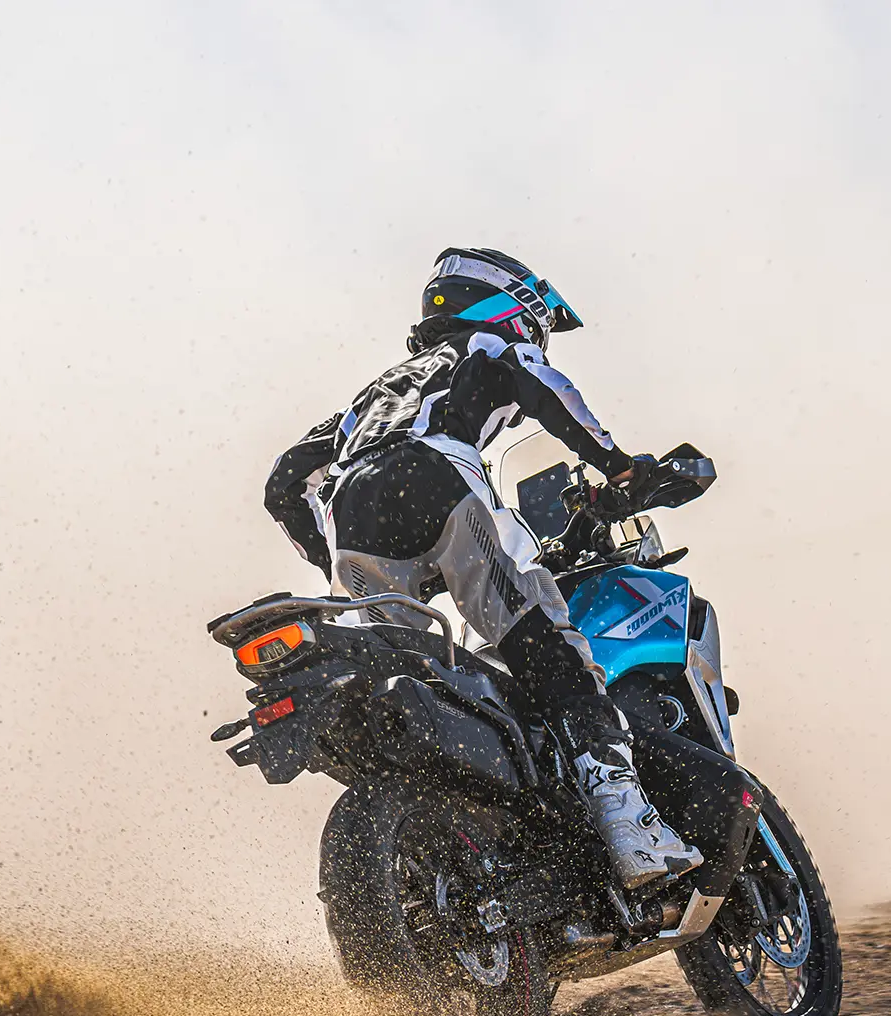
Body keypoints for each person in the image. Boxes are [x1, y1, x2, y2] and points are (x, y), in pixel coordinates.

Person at [262, 247, 701, 889]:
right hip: (437, 476)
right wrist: (619, 466)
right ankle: (629, 826)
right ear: (510, 306)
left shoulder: (371, 399)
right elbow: (545, 388)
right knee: (549, 649)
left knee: (405, 668)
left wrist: (329, 552)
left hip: (351, 512)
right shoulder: (485, 346)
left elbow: (284, 484)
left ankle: (470, 836)